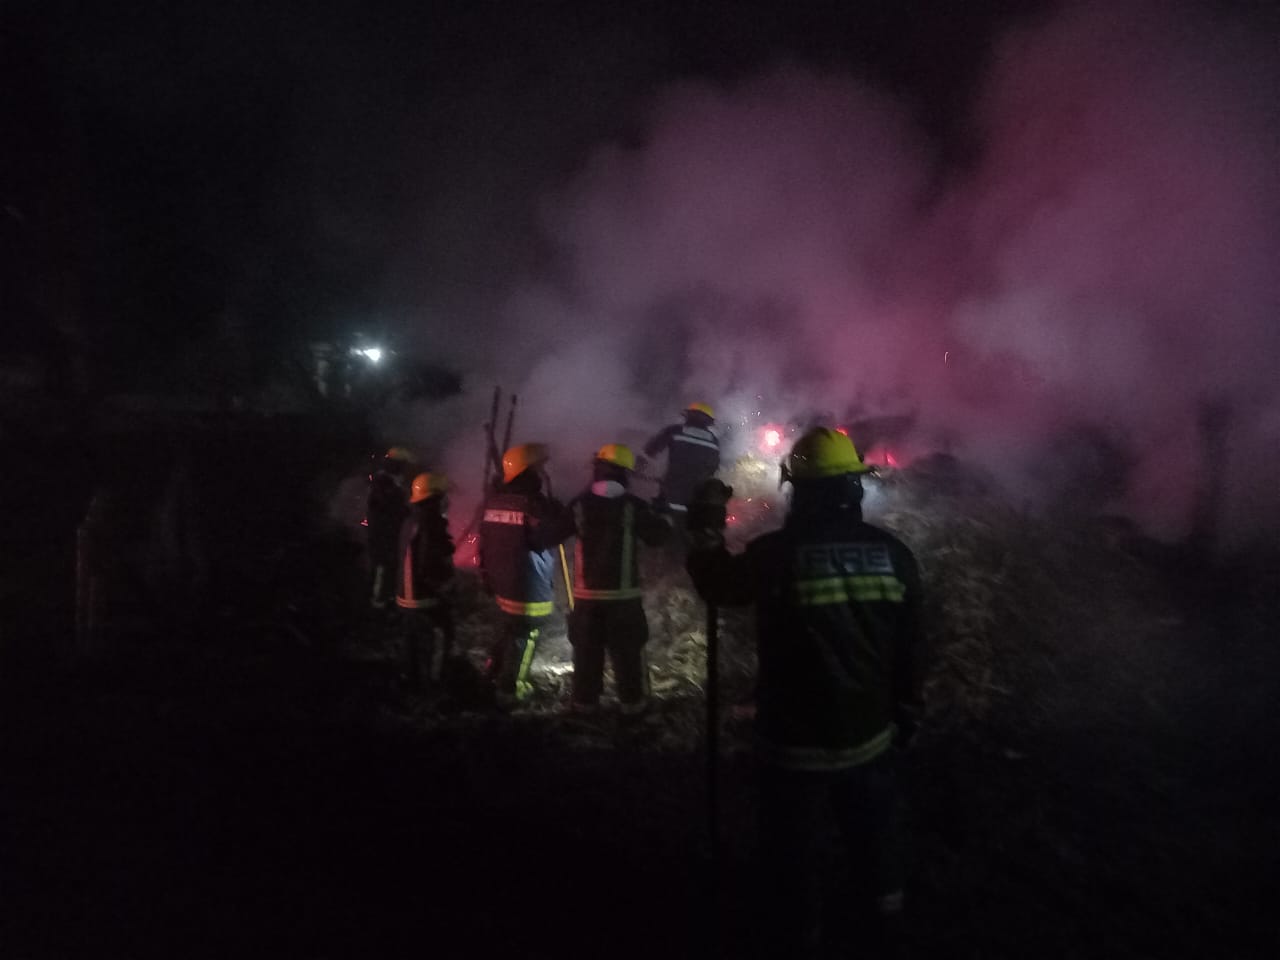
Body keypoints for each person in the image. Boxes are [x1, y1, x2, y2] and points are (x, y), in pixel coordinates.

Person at [685, 427, 924, 959]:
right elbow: (911, 646)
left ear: (799, 490)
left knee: (792, 851)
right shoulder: (894, 555)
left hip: (793, 744)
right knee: (875, 838)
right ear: (852, 489)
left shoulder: (775, 554)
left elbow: (717, 584)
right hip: (869, 736)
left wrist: (704, 522)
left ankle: (800, 936)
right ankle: (885, 927)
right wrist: (908, 710)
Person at [566, 443, 672, 715]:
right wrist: (662, 513)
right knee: (628, 655)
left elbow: (548, 534)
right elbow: (658, 537)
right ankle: (633, 708)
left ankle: (584, 707)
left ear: (597, 470)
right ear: (625, 473)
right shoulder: (634, 506)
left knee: (587, 654)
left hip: (586, 600)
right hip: (624, 601)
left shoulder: (579, 504)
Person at [478, 442, 574, 708]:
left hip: (502, 582)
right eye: (539, 468)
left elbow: (484, 543)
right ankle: (512, 689)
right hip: (527, 585)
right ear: (528, 471)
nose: (543, 473)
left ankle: (492, 670)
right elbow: (545, 538)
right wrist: (565, 521)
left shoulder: (495, 501)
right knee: (526, 636)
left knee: (509, 628)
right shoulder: (531, 505)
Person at [396, 471, 457, 691]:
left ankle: (409, 680)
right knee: (437, 641)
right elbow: (428, 565)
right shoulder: (431, 524)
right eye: (444, 495)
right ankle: (433, 687)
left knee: (411, 640)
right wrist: (444, 589)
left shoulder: (411, 520)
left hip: (407, 596)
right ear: (436, 497)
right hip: (425, 599)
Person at [642, 402, 721, 522]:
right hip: (696, 499)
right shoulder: (714, 441)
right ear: (709, 422)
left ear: (688, 415)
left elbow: (650, 450)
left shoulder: (675, 430)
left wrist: (641, 467)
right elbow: (713, 468)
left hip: (671, 493)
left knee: (660, 523)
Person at [367, 446, 415, 611]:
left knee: (390, 565)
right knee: (383, 566)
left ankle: (387, 599)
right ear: (396, 464)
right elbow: (387, 508)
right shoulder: (383, 483)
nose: (406, 469)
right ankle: (377, 604)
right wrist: (407, 510)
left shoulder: (390, 482)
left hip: (389, 533)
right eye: (404, 465)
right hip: (382, 534)